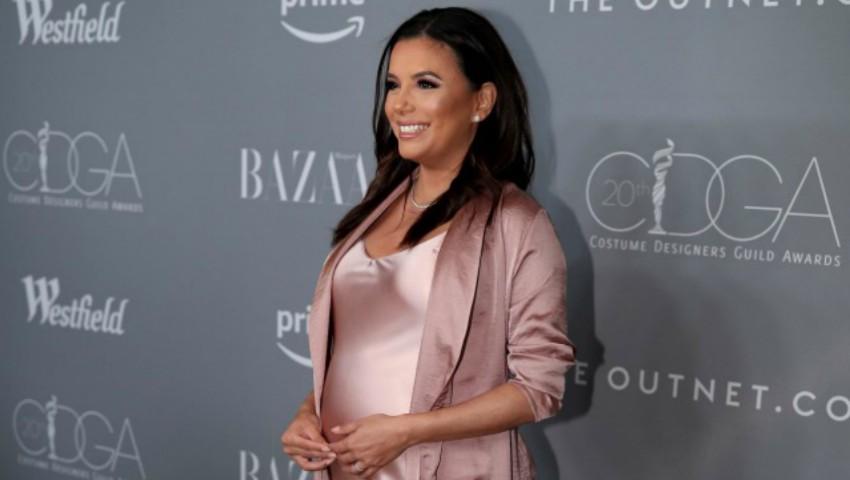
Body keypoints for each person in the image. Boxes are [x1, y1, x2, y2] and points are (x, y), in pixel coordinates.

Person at [281, 7, 576, 479]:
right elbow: (359, 352)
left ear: (482, 101)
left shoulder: (516, 223)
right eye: (393, 85)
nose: (400, 104)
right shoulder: (378, 204)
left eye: (425, 84)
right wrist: (309, 413)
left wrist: (408, 431)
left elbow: (539, 386)